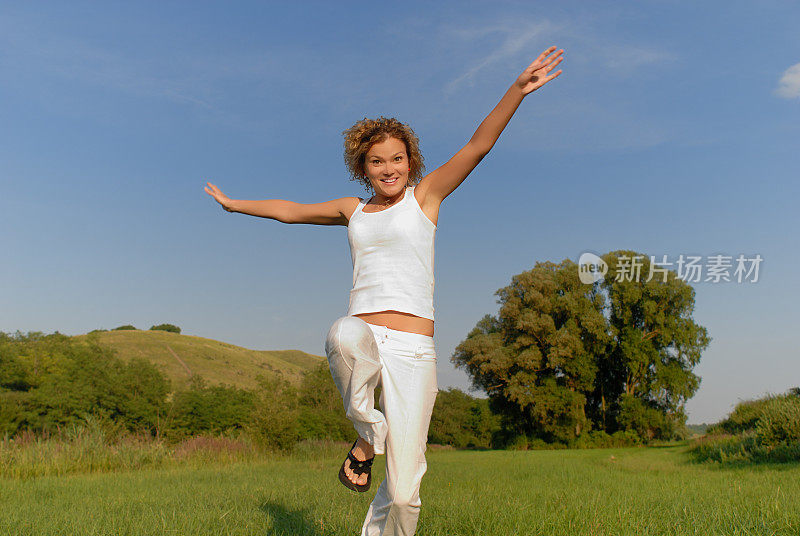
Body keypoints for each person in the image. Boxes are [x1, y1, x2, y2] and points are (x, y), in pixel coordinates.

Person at [205, 45, 563, 536]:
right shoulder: (352, 209)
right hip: (367, 334)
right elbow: (290, 209)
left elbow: (478, 145)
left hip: (414, 350)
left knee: (402, 492)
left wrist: (516, 91)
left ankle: (378, 496)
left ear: (411, 160)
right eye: (377, 162)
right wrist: (234, 205)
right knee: (341, 335)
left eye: (397, 158)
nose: (389, 168)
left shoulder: (426, 197)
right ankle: (370, 433)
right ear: (363, 167)